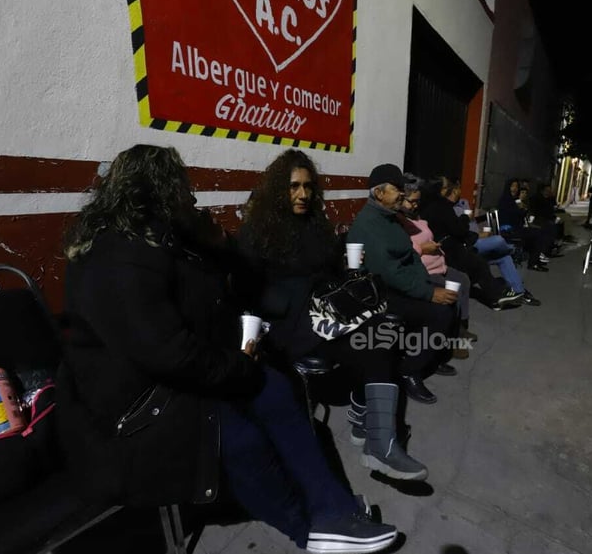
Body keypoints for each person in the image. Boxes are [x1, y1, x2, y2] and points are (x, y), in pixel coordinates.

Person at [58, 144, 397, 553]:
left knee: (274, 388)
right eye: (182, 187)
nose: (193, 196)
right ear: (158, 191)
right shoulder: (117, 256)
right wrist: (238, 366)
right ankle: (307, 528)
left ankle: (333, 510)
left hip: (179, 374)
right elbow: (168, 353)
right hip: (139, 401)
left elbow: (221, 297)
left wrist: (218, 245)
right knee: (238, 436)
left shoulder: (164, 241)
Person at [236, 149, 428, 481]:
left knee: (381, 333)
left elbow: (328, 270)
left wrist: (345, 267)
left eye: (308, 187)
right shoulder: (256, 231)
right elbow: (246, 290)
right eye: (294, 186)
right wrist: (294, 301)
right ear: (278, 188)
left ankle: (379, 442)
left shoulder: (315, 224)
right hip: (289, 325)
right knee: (372, 338)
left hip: (326, 315)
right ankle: (362, 416)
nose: (302, 194)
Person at [347, 163, 459, 405]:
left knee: (450, 298)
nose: (402, 193)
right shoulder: (370, 224)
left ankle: (428, 356)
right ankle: (410, 369)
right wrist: (429, 292)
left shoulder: (390, 219)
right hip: (382, 295)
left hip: (402, 285)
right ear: (379, 193)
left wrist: (428, 282)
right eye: (397, 188)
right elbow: (390, 273)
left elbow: (409, 256)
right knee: (441, 312)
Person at [424, 176, 540, 306]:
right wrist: (466, 219)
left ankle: (519, 292)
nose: (454, 190)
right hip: (460, 247)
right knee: (498, 242)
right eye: (448, 187)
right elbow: (458, 231)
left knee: (504, 257)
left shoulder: (459, 204)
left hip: (469, 241)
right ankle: (500, 290)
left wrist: (476, 231)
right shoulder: (441, 207)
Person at [399, 174, 480, 340]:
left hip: (438, 264)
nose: (414, 206)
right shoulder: (398, 219)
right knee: (451, 290)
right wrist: (422, 248)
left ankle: (461, 325)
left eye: (417, 202)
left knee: (463, 279)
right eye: (411, 202)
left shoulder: (416, 215)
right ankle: (452, 335)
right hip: (424, 269)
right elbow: (401, 245)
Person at [497, 179, 555, 272]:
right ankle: (533, 262)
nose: (515, 189)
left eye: (516, 186)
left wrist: (522, 208)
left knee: (541, 231)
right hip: (509, 230)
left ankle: (536, 258)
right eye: (512, 186)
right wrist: (521, 209)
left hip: (517, 228)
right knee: (538, 234)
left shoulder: (515, 200)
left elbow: (522, 213)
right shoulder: (506, 200)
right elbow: (515, 214)